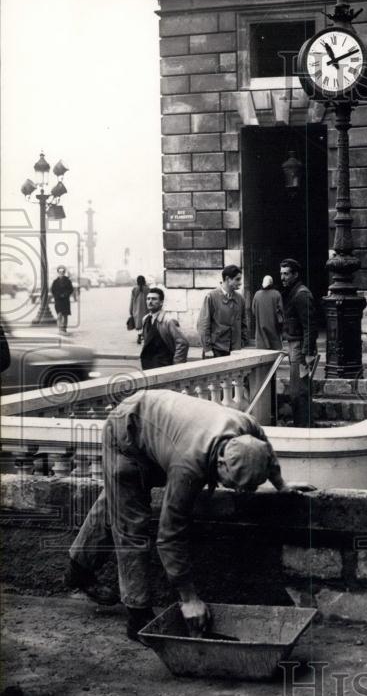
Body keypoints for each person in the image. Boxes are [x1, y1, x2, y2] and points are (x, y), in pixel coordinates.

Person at [65, 389, 315, 641]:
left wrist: (281, 484)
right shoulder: (189, 466)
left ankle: (78, 568)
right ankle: (137, 615)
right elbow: (169, 535)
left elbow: (265, 450)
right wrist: (189, 599)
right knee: (131, 519)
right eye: (234, 483)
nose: (238, 492)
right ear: (220, 462)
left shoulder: (247, 427)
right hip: (126, 430)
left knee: (117, 498)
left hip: (159, 424)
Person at [280, 258, 318, 427]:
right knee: (298, 389)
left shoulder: (301, 294)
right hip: (294, 346)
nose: (282, 277)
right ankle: (303, 424)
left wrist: (308, 353)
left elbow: (310, 325)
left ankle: (304, 427)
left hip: (300, 348)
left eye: (286, 274)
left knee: (298, 391)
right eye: (281, 274)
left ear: (295, 274)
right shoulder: (294, 292)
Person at [197, 264, 248, 357]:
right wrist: (207, 348)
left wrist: (242, 341)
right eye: (237, 279)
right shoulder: (211, 297)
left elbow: (243, 323)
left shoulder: (240, 299)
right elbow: (203, 324)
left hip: (235, 351)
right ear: (228, 279)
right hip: (216, 350)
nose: (240, 283)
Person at [140, 288, 189, 371]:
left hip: (164, 366)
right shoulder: (145, 319)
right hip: (148, 366)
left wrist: (177, 366)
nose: (150, 301)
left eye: (154, 299)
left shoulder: (168, 321)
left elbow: (182, 342)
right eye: (148, 299)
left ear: (161, 302)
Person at [251, 275, 284, 351]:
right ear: (272, 284)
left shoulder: (257, 294)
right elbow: (281, 312)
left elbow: (253, 310)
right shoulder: (277, 294)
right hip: (274, 331)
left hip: (260, 333)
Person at [50, 266, 74, 334]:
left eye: (63, 272)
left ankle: (64, 328)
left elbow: (71, 289)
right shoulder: (55, 282)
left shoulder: (68, 281)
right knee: (59, 314)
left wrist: (65, 294)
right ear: (58, 273)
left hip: (65, 300)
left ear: (64, 272)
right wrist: (57, 295)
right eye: (60, 272)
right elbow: (53, 290)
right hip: (58, 301)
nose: (61, 273)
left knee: (65, 315)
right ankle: (60, 328)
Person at [129, 275, 149, 345]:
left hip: (136, 310)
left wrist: (131, 310)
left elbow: (131, 301)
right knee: (145, 324)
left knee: (139, 324)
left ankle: (139, 336)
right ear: (144, 281)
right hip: (146, 310)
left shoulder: (134, 289)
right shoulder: (147, 289)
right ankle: (144, 336)